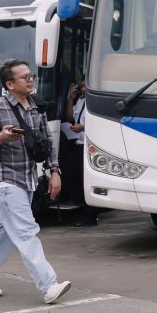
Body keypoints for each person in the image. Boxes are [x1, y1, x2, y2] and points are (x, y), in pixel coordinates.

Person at [0, 58, 71, 304]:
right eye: (25, 77)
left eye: (31, 75)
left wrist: (54, 171)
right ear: (10, 84)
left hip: (28, 181)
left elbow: (47, 143)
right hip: (4, 182)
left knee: (1, 235)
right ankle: (48, 285)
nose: (31, 79)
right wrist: (0, 138)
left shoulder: (35, 107)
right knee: (26, 231)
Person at [60, 79, 97, 226]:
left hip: (90, 146)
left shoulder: (97, 102)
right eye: (81, 87)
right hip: (77, 144)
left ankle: (90, 215)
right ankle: (80, 203)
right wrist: (70, 98)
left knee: (85, 180)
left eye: (85, 86)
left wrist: (84, 127)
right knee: (68, 172)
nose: (83, 89)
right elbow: (70, 118)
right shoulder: (81, 101)